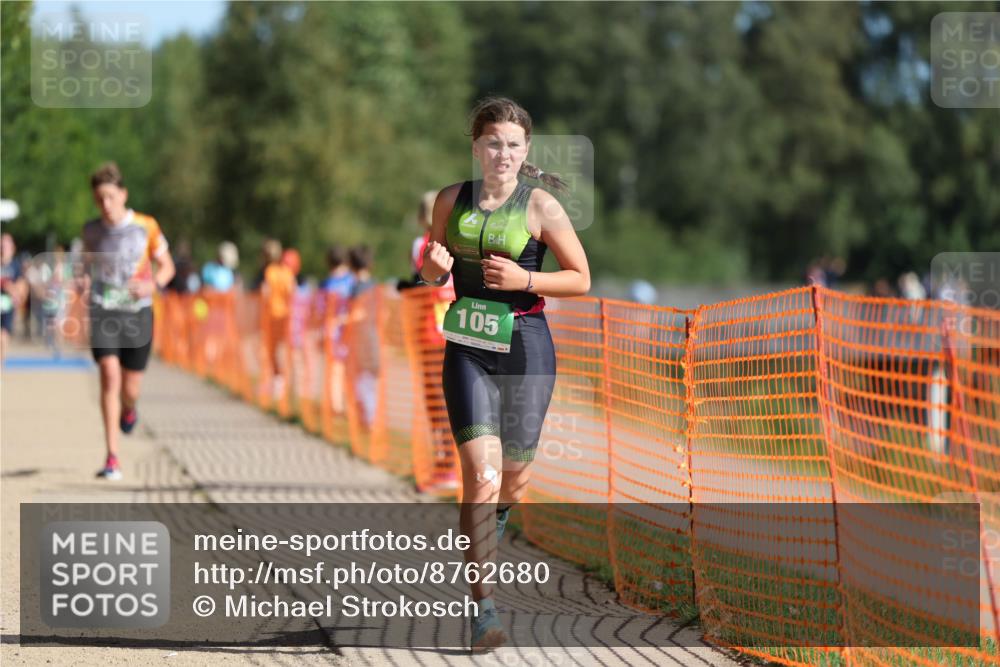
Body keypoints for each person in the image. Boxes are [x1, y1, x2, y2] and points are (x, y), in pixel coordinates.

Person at [418, 96, 590, 651]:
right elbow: (429, 270)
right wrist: (430, 270)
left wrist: (525, 280)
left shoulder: (540, 206)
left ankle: (492, 522)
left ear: (526, 149)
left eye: (514, 145)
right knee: (482, 474)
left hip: (526, 347)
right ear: (476, 147)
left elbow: (581, 277)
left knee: (512, 477)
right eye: (493, 143)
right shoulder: (451, 200)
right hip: (467, 347)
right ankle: (483, 609)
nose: (503, 154)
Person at [81, 162, 175, 480]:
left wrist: (153, 284)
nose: (105, 204)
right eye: (99, 199)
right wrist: (82, 280)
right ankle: (112, 457)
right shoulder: (91, 230)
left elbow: (167, 266)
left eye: (110, 196)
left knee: (130, 388)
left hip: (137, 312)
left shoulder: (146, 226)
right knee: (109, 375)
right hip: (104, 309)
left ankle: (130, 408)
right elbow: (86, 266)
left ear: (123, 194)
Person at [318, 245, 355, 415]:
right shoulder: (353, 281)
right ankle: (350, 406)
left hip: (332, 332)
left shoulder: (326, 284)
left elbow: (320, 311)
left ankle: (337, 406)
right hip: (351, 329)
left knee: (335, 370)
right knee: (351, 369)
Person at [261, 239, 295, 401]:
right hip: (286, 316)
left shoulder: (269, 272)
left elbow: (265, 293)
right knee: (283, 351)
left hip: (272, 316)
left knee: (273, 351)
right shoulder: (287, 273)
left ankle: (278, 383)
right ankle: (283, 383)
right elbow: (292, 292)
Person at [0, 233, 27, 361]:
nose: (3, 248)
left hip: (7, 305)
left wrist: (15, 292)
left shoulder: (16, 265)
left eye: (6, 245)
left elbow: (22, 285)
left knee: (4, 335)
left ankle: (1, 363)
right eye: (2, 245)